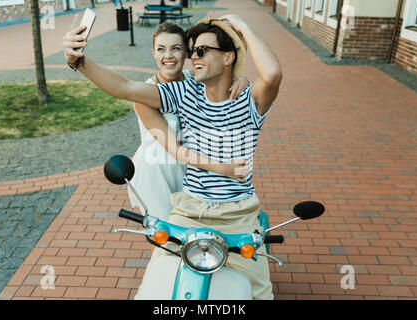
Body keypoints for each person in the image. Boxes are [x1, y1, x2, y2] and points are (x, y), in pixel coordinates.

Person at [63, 14, 282, 299]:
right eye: (192, 52)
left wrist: (241, 26)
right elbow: (124, 88)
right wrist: (78, 61)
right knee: (157, 288)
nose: (193, 58)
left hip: (238, 213)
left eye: (201, 51)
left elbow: (274, 74)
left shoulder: (248, 99)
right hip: (189, 209)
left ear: (228, 57)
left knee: (260, 294)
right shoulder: (184, 91)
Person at [129, 22, 250, 220]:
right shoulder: (146, 95)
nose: (168, 56)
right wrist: (223, 169)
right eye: (161, 49)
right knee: (165, 235)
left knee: (193, 234)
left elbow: (221, 72)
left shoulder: (194, 79)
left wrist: (241, 79)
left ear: (187, 53)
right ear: (153, 53)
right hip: (157, 171)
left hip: (191, 169)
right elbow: (174, 149)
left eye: (176, 48)